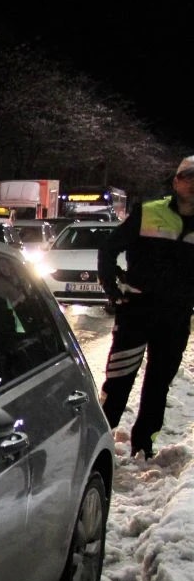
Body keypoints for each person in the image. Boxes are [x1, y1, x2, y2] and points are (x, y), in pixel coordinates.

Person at [98, 156, 194, 459]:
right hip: (137, 311)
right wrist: (112, 289)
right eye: (187, 176)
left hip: (176, 317)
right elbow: (109, 249)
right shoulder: (148, 213)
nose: (193, 183)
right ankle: (98, 440)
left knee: (158, 384)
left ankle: (143, 446)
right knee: (118, 379)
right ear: (176, 181)